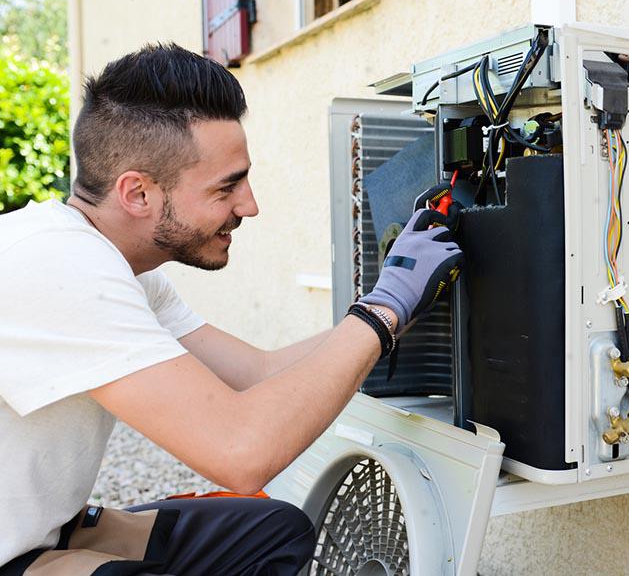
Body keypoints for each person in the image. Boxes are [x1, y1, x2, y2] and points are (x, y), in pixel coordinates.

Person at [0, 43, 462, 575]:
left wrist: (403, 303)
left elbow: (257, 374)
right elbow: (242, 453)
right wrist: (383, 310)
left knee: (272, 532)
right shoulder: (59, 267)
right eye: (227, 186)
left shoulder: (122, 267)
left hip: (45, 529)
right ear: (138, 193)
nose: (249, 205)